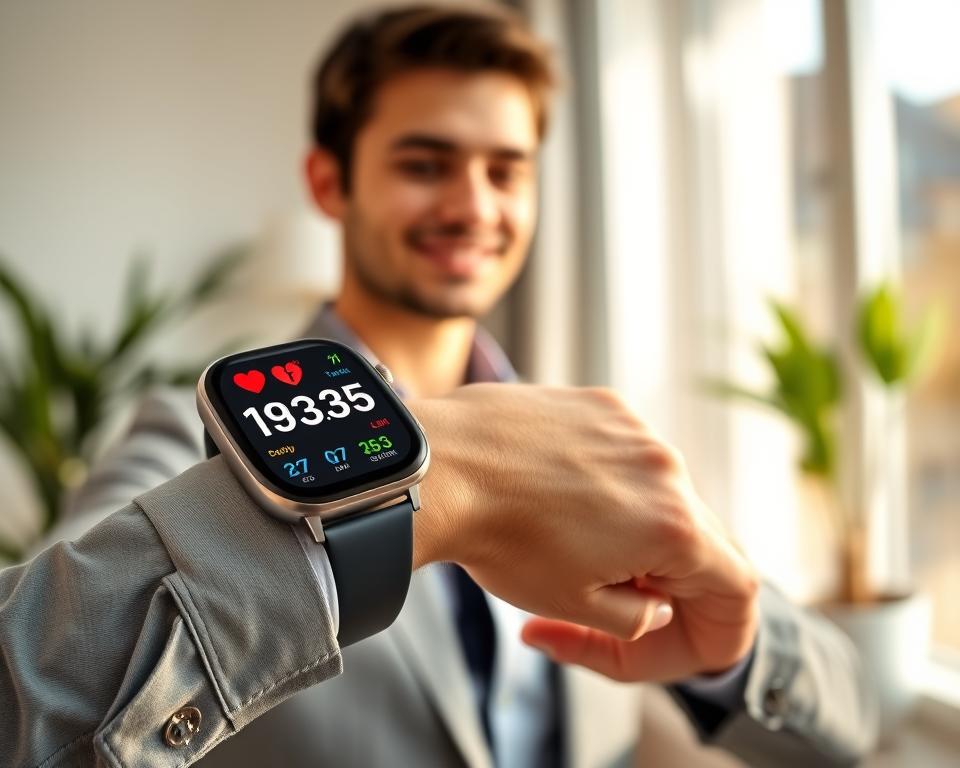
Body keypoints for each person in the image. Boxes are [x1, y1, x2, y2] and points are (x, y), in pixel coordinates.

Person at [2, 5, 876, 767]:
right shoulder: (185, 437)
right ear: (329, 182)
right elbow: (26, 694)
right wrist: (449, 475)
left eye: (507, 170)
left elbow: (847, 724)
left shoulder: (591, 442)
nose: (473, 206)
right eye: (425, 165)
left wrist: (730, 651)